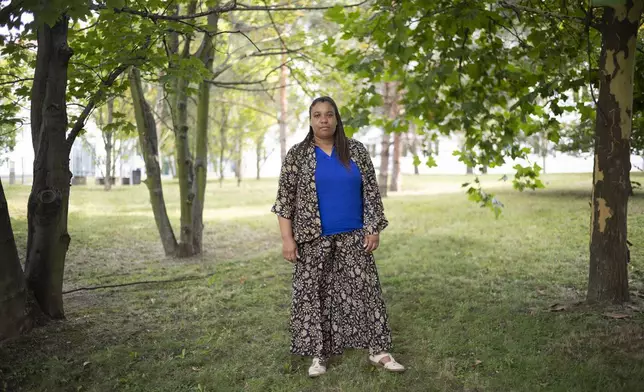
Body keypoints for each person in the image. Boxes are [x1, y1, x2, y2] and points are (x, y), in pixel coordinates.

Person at [271, 96, 405, 377]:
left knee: (366, 292)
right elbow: (284, 201)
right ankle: (320, 354)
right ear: (310, 120)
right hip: (313, 238)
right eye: (317, 115)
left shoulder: (355, 150)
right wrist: (287, 239)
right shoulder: (298, 155)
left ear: (336, 118)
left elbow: (370, 191)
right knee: (316, 296)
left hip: (355, 236)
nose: (323, 120)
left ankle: (378, 350)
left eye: (329, 114)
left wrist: (372, 227)